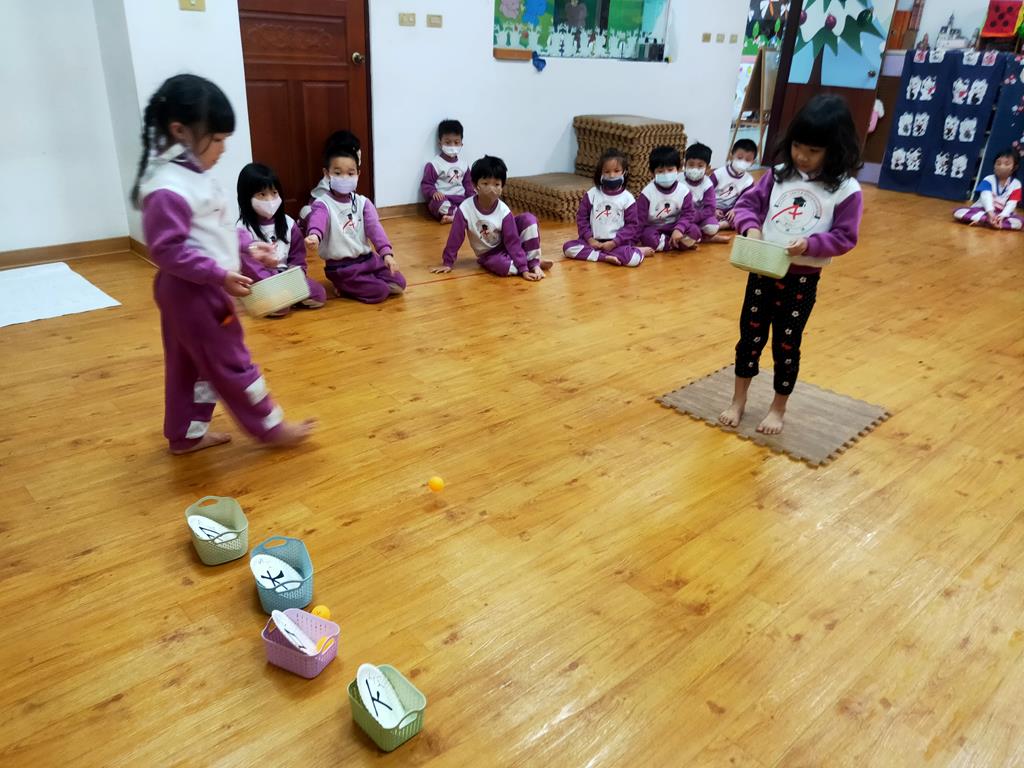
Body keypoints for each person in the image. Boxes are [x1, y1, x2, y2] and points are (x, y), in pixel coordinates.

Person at [133, 75, 314, 454]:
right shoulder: (168, 188)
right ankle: (270, 428)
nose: (223, 148)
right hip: (194, 294)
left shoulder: (195, 176)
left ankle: (185, 434)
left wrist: (249, 248)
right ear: (179, 131)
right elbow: (167, 251)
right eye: (216, 139)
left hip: (192, 290)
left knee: (190, 365)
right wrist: (218, 274)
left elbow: (213, 230)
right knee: (232, 362)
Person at [719, 94, 865, 435]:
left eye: (813, 150)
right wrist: (751, 227)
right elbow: (748, 205)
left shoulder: (846, 189)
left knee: (786, 344)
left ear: (835, 149)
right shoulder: (779, 175)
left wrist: (810, 244)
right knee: (749, 337)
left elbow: (845, 236)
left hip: (801, 279)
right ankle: (738, 400)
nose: (802, 155)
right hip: (762, 269)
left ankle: (778, 407)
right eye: (798, 146)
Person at [304, 144, 406, 303]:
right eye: (338, 173)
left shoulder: (363, 202)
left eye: (350, 173)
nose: (344, 178)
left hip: (368, 259)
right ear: (327, 174)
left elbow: (375, 229)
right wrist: (315, 235)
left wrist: (386, 254)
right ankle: (344, 284)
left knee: (399, 284)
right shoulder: (322, 203)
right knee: (380, 292)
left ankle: (362, 281)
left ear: (358, 174)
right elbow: (318, 220)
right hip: (342, 267)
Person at [431, 155, 550, 280]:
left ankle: (533, 263)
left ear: (502, 187)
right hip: (489, 254)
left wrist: (524, 270)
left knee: (529, 219)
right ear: (475, 185)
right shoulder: (465, 209)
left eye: (497, 184)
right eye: (485, 183)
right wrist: (448, 263)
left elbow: (512, 241)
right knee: (504, 267)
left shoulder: (504, 211)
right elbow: (455, 237)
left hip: (508, 245)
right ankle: (527, 261)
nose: (491, 188)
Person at [236, 162, 326, 316]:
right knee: (280, 308)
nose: (270, 199)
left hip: (286, 276)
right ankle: (286, 299)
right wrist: (277, 284)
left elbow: (298, 257)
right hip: (261, 282)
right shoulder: (243, 229)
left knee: (319, 294)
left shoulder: (289, 223)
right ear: (247, 197)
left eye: (274, 193)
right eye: (262, 195)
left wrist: (295, 277)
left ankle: (288, 297)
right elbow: (250, 267)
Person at [562, 148, 648, 267]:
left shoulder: (628, 199)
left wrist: (615, 242)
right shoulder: (591, 194)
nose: (612, 175)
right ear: (600, 173)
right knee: (568, 248)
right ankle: (604, 257)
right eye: (607, 171)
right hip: (593, 242)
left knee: (633, 259)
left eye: (616, 171)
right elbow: (581, 219)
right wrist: (590, 239)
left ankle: (635, 251)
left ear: (624, 172)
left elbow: (632, 226)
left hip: (617, 244)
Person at [636, 145, 698, 252]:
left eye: (670, 170)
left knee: (694, 231)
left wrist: (679, 229)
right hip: (654, 228)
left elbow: (688, 214)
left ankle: (669, 243)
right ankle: (676, 244)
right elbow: (639, 220)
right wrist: (634, 241)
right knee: (647, 237)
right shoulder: (647, 193)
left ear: (678, 169)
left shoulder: (684, 191)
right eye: (660, 171)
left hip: (675, 225)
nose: (666, 174)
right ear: (652, 173)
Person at [420, 119, 475, 224]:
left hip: (461, 198)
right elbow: (426, 184)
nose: (452, 146)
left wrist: (472, 198)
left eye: (456, 142)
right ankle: (460, 215)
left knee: (474, 203)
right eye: (448, 142)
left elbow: (468, 184)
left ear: (461, 144)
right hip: (444, 199)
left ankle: (455, 216)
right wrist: (433, 192)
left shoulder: (464, 165)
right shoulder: (435, 164)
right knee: (436, 204)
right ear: (440, 144)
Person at [952, 149, 1022, 230]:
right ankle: (989, 221)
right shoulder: (988, 179)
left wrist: (1002, 215)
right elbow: (986, 197)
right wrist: (990, 213)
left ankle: (989, 222)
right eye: (998, 163)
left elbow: (1012, 203)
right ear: (994, 166)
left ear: (1015, 167)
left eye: (1007, 164)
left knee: (1019, 222)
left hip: (1001, 213)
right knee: (958, 212)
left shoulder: (1016, 184)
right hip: (983, 210)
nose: (1001, 166)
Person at [682, 142, 729, 243]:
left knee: (712, 227)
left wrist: (696, 217)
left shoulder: (707, 184)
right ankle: (704, 238)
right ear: (684, 165)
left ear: (707, 168)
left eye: (700, 166)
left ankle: (700, 236)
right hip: (682, 217)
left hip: (699, 216)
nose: (695, 169)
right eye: (691, 165)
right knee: (685, 228)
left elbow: (710, 208)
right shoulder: (679, 180)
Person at [713, 138, 758, 230]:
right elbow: (706, 193)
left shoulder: (749, 180)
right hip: (712, 207)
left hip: (729, 211)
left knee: (744, 215)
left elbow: (745, 199)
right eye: (740, 158)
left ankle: (720, 225)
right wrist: (713, 209)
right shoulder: (718, 173)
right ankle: (713, 223)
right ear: (731, 156)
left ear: (753, 162)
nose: (743, 162)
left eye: (748, 160)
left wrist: (735, 210)